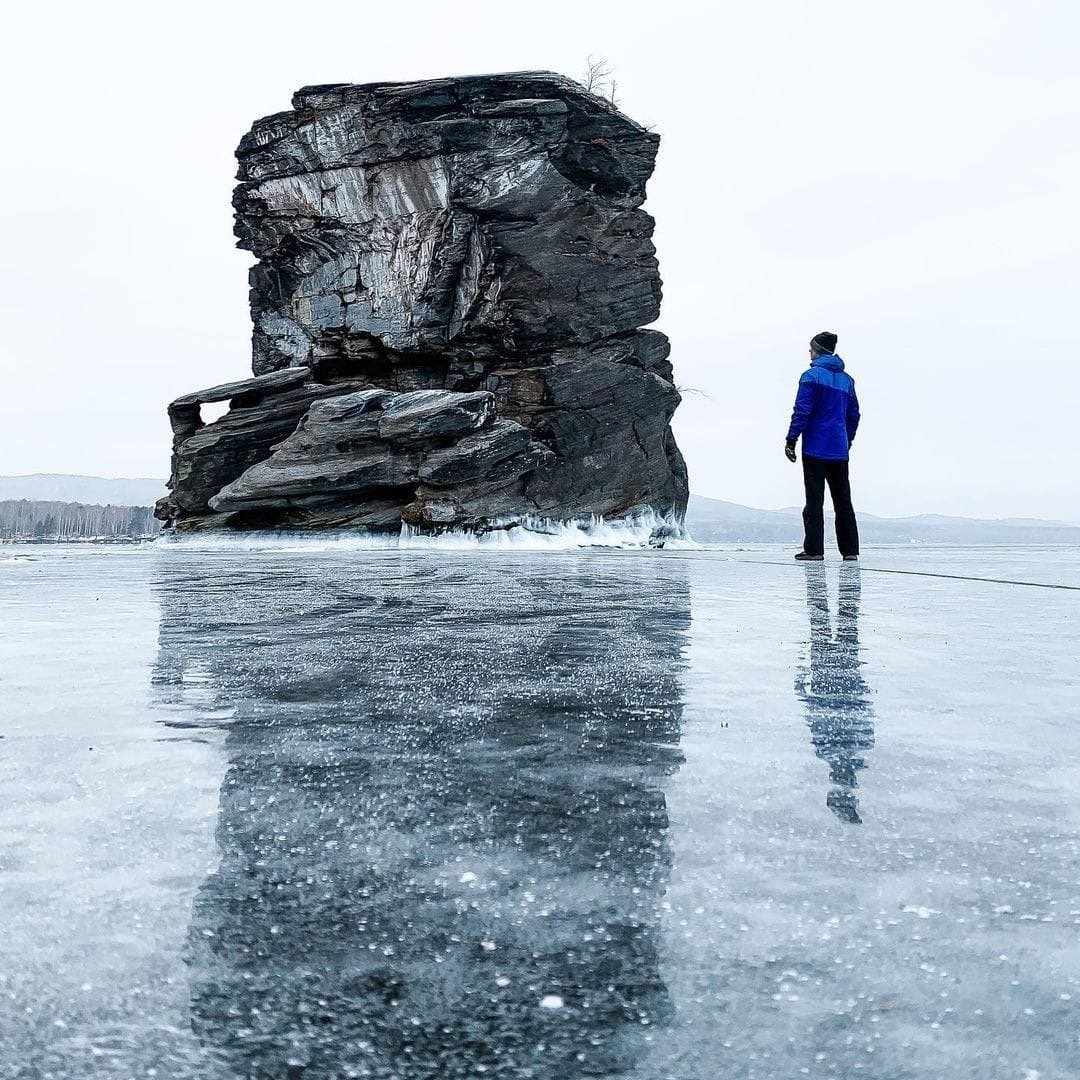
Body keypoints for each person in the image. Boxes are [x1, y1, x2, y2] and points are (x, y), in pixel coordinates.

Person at [785, 331, 860, 561]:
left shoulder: (811, 376)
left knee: (814, 501)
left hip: (815, 448)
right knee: (843, 501)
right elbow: (854, 415)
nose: (809, 351)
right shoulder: (847, 380)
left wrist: (791, 439)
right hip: (838, 449)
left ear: (818, 349)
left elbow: (803, 410)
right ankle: (850, 552)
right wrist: (846, 440)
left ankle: (814, 550)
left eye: (811, 347)